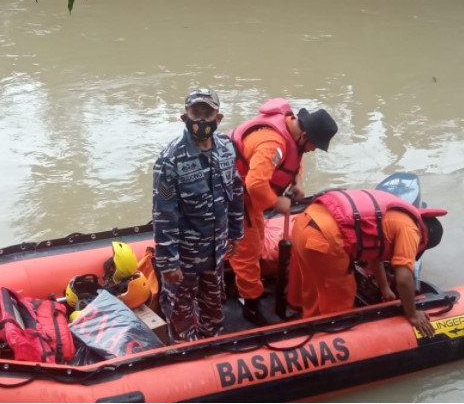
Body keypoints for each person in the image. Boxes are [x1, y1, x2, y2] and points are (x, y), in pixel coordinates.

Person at [228, 98, 338, 325]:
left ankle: (246, 287)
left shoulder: (292, 130)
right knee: (247, 253)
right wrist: (277, 202)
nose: (313, 149)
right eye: (314, 145)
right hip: (234, 197)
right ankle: (250, 308)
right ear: (305, 135)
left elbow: (295, 156)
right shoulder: (272, 143)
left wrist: (297, 181)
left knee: (257, 239)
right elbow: (256, 184)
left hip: (248, 198)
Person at [152, 88, 244, 343]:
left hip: (216, 252)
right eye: (196, 113)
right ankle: (184, 351)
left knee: (214, 309)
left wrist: (236, 233)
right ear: (185, 117)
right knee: (180, 312)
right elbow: (163, 213)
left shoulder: (226, 148)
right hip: (185, 256)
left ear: (219, 118)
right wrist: (169, 262)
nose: (201, 120)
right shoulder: (170, 159)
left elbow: (235, 192)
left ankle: (210, 346)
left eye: (208, 113)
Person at [290, 188, 446, 338]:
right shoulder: (412, 231)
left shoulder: (398, 214)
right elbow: (404, 278)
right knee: (341, 299)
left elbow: (373, 252)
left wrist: (384, 287)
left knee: (311, 286)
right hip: (324, 239)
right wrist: (412, 314)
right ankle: (329, 337)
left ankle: (307, 320)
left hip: (304, 222)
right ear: (424, 240)